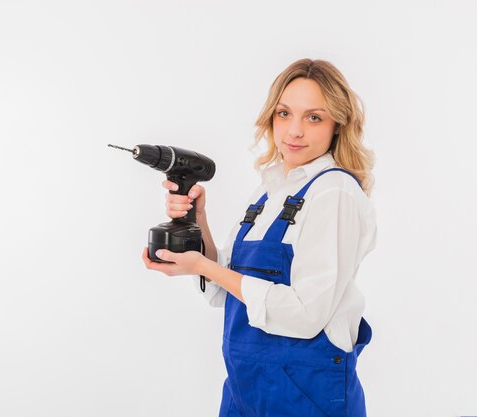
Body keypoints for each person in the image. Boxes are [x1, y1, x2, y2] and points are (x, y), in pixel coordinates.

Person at [142, 58, 376, 417]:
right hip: (244, 390)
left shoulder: (334, 192)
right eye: (284, 114)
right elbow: (222, 291)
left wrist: (205, 266)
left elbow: (306, 313)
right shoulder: (268, 192)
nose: (294, 131)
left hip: (306, 396)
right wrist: (198, 221)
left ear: (337, 125)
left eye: (313, 117)